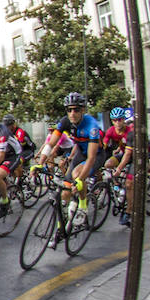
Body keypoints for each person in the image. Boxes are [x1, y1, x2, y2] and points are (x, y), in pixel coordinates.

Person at [40, 92, 102, 222]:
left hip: (96, 155)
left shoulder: (92, 126)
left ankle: (83, 206)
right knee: (65, 191)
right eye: (69, 110)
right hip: (80, 152)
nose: (72, 113)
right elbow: (51, 143)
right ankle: (64, 226)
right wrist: (40, 163)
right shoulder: (65, 122)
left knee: (77, 175)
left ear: (83, 110)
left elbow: (91, 158)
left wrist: (80, 179)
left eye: (76, 110)